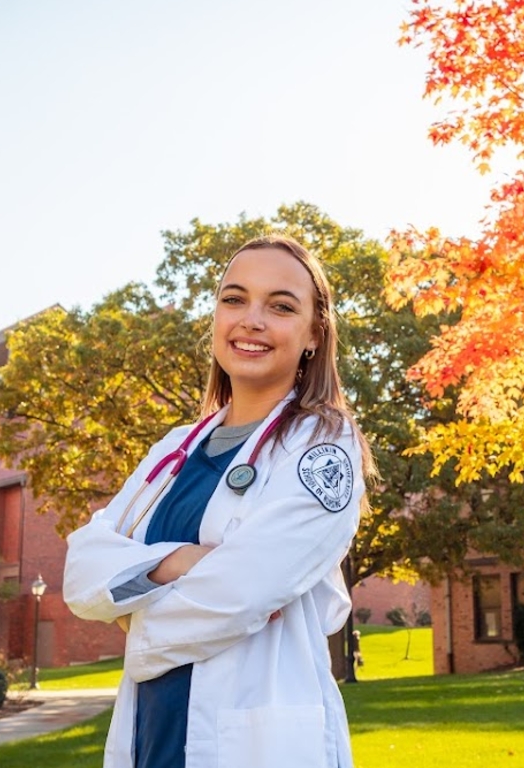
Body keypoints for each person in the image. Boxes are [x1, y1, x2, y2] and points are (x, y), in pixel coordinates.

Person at [64, 234, 371, 768]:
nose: (251, 320)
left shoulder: (324, 446)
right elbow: (81, 568)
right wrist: (180, 563)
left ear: (314, 335)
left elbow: (243, 592)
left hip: (256, 742)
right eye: (234, 299)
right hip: (153, 732)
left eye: (280, 306)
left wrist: (130, 606)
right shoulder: (173, 446)